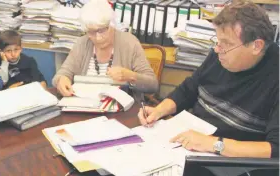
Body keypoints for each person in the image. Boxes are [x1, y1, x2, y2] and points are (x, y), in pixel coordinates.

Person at [138, 1, 279, 158]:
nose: (217, 49)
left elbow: (275, 149)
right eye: (217, 41)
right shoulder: (220, 55)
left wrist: (213, 144)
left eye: (226, 44)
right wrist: (159, 111)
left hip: (230, 163)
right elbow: (188, 89)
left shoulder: (275, 78)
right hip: (191, 144)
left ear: (256, 46)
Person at [52, 0, 158, 97]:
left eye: (102, 30)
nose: (98, 38)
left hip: (121, 112)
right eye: (92, 32)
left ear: (111, 24)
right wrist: (62, 80)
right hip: (86, 107)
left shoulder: (129, 43)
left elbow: (153, 85)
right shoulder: (82, 43)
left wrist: (130, 76)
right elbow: (63, 73)